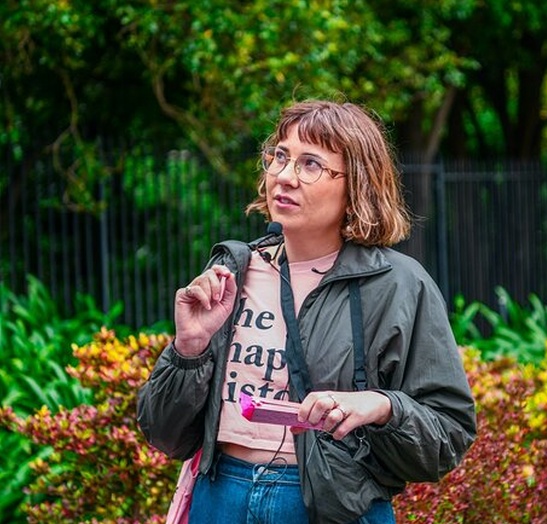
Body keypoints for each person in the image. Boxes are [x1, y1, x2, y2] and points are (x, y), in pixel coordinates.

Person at [137, 100, 477, 524]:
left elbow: (449, 433)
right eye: (280, 156)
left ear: (358, 185)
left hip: (331, 507)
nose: (284, 176)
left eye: (311, 164)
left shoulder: (398, 285)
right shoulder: (230, 274)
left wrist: (381, 406)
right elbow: (163, 433)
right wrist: (189, 348)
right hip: (220, 497)